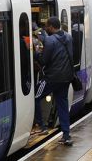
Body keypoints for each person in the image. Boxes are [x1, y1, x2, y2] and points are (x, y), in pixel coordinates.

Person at [34, 17, 74, 146]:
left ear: (51, 27)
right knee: (62, 105)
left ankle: (42, 127)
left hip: (52, 78)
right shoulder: (68, 37)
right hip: (66, 77)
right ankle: (66, 135)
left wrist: (36, 53)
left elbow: (44, 61)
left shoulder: (50, 41)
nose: (45, 28)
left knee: (35, 97)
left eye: (46, 26)